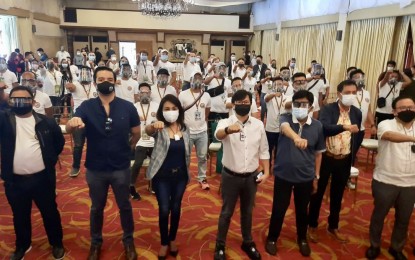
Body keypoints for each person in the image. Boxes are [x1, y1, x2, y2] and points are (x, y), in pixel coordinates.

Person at [66, 67, 140, 260]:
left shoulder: (127, 106)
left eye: (109, 78)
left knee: (125, 206)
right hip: (96, 168)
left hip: (121, 167)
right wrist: (71, 123)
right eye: (101, 79)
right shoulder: (86, 106)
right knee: (96, 208)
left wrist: (128, 148)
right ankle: (96, 242)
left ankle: (128, 241)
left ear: (115, 81)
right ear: (95, 82)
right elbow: (69, 126)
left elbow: (136, 132)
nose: (105, 81)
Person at [0, 86, 65, 260]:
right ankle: (23, 245)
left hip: (42, 179)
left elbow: (59, 142)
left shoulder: (46, 122)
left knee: (50, 212)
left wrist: (49, 159)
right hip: (15, 181)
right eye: (15, 99)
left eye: (25, 99)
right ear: (9, 100)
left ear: (33, 101)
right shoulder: (4, 120)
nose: (20, 103)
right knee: (19, 214)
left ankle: (56, 243)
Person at [265, 90, 325, 257]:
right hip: (284, 174)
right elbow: (284, 129)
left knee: (301, 210)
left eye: (303, 104)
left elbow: (318, 153)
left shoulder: (318, 126)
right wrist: (296, 138)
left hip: (305, 176)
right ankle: (272, 238)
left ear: (311, 107)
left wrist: (317, 176)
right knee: (279, 208)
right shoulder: (285, 118)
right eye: (296, 104)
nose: (299, 107)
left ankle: (302, 238)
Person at [213, 89, 270, 260]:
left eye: (246, 102)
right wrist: (230, 130)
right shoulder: (225, 122)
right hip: (230, 176)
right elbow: (218, 136)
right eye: (239, 102)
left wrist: (266, 171)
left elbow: (264, 150)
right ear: (234, 104)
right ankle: (220, 245)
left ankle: (247, 241)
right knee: (226, 213)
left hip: (251, 177)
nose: (243, 105)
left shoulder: (258, 125)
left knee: (247, 212)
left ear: (251, 103)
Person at [308, 80, 362, 243]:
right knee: (317, 193)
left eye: (354, 92)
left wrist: (353, 153)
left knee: (337, 195)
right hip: (326, 158)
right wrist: (344, 127)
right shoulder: (328, 109)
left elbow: (357, 135)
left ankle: (333, 226)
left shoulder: (357, 113)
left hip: (344, 160)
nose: (351, 96)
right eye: (348, 92)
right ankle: (312, 225)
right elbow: (324, 128)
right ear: (339, 94)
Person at [365, 96, 415, 260]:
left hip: (410, 183)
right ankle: (374, 244)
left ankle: (396, 247)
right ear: (394, 111)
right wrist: (412, 139)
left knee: (403, 218)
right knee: (379, 215)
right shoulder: (385, 124)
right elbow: (388, 136)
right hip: (385, 180)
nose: (408, 110)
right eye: (403, 108)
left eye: (411, 107)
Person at [145, 94, 191, 259]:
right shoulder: (159, 128)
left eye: (174, 108)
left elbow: (187, 154)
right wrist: (153, 125)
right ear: (161, 111)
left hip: (180, 176)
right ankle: (164, 242)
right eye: (167, 109)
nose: (171, 112)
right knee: (164, 209)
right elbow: (148, 130)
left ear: (179, 110)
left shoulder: (185, 129)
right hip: (161, 176)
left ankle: (172, 239)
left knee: (176, 208)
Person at [179, 71, 211, 189]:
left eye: (199, 78)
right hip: (187, 132)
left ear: (202, 80)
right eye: (195, 78)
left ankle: (202, 178)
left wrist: (202, 121)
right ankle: (185, 177)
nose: (197, 80)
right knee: (185, 156)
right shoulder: (182, 94)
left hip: (202, 131)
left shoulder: (206, 95)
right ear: (190, 80)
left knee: (202, 156)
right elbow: (179, 112)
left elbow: (207, 111)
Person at [65, 66, 98, 177]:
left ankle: (93, 165)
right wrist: (69, 85)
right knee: (78, 144)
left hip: (94, 118)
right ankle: (75, 166)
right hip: (79, 117)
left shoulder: (94, 85)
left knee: (94, 143)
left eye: (87, 72)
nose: (85, 75)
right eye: (82, 73)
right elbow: (71, 87)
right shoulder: (76, 84)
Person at [130, 82, 159, 200]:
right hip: (140, 140)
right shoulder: (134, 107)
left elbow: (162, 121)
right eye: (142, 92)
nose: (145, 94)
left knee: (157, 161)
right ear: (138, 94)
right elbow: (127, 124)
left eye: (147, 92)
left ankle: (154, 184)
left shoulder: (156, 106)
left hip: (153, 139)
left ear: (150, 93)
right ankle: (131, 186)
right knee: (138, 163)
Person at [349, 69, 376, 163]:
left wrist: (372, 124)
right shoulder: (348, 92)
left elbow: (369, 110)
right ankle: (347, 172)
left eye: (361, 77)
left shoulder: (367, 93)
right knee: (349, 151)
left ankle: (350, 168)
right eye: (356, 77)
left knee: (355, 150)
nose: (359, 79)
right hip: (350, 127)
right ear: (351, 79)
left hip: (361, 128)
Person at [264, 76, 288, 169]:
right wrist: (274, 93)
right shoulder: (269, 95)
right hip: (270, 128)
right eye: (276, 84)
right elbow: (266, 99)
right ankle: (268, 167)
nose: (278, 86)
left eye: (280, 84)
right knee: (269, 149)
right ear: (273, 85)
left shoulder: (286, 97)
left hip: (282, 129)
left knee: (279, 150)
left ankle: (277, 167)